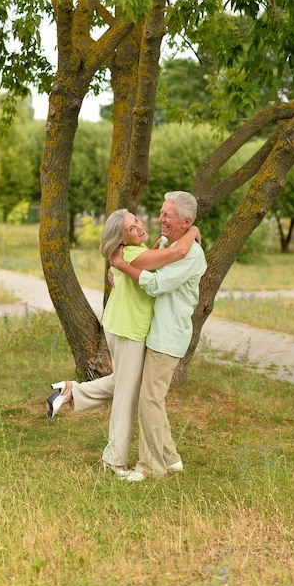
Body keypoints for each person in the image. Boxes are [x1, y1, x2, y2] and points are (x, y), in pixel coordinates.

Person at [46, 208, 200, 477]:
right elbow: (176, 253)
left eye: (138, 220)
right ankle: (114, 458)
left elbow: (158, 253)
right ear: (121, 240)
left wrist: (119, 265)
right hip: (130, 330)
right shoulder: (133, 255)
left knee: (127, 383)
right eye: (131, 228)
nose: (139, 227)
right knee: (128, 396)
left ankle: (71, 391)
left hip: (122, 326)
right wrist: (194, 230)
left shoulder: (133, 253)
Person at [110, 191, 207, 481]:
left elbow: (155, 284)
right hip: (158, 333)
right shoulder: (171, 242)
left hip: (169, 337)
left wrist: (121, 266)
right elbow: (152, 255)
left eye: (167, 214)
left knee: (149, 400)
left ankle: (150, 467)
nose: (160, 218)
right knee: (152, 398)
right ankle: (171, 458)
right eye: (161, 211)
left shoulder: (191, 254)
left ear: (185, 221)